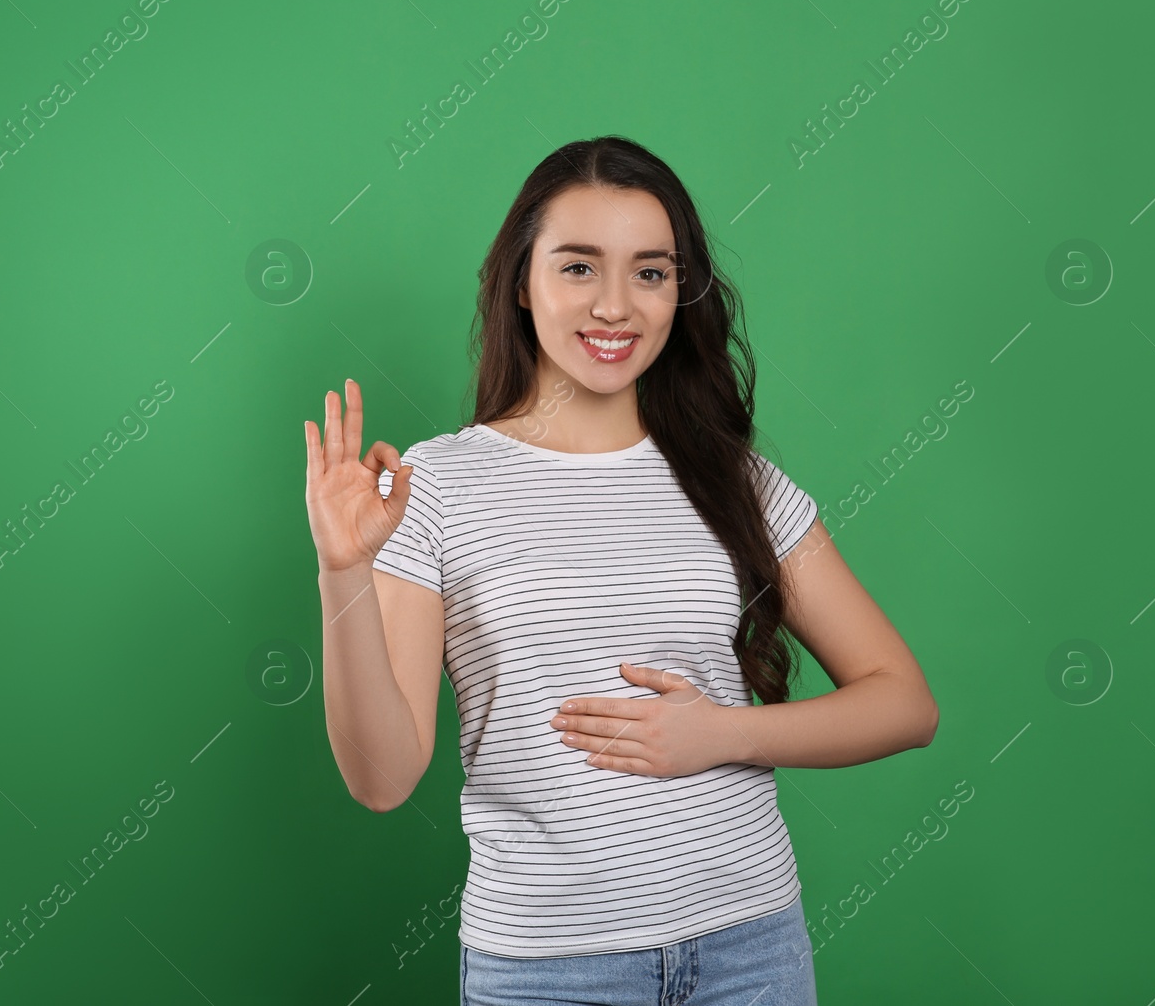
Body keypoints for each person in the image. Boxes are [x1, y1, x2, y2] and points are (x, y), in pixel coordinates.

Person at [303, 135, 938, 1006]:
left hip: (749, 948)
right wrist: (344, 570)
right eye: (577, 268)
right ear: (521, 283)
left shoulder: (736, 478)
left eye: (650, 272)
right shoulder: (436, 485)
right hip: (547, 970)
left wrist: (726, 732)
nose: (615, 306)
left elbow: (904, 700)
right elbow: (383, 779)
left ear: (682, 290)